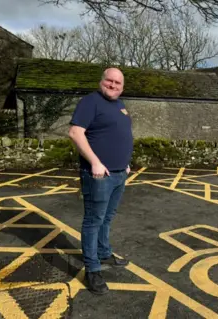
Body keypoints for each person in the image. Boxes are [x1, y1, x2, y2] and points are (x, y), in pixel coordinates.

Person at [68, 67, 133, 295]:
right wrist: (95, 162)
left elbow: (119, 135)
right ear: (101, 81)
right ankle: (92, 269)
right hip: (98, 175)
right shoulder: (90, 102)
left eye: (118, 83)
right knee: (93, 221)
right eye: (109, 81)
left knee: (107, 217)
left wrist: (125, 162)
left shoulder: (120, 105)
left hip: (119, 173)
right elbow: (76, 132)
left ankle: (104, 252)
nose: (113, 85)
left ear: (122, 87)